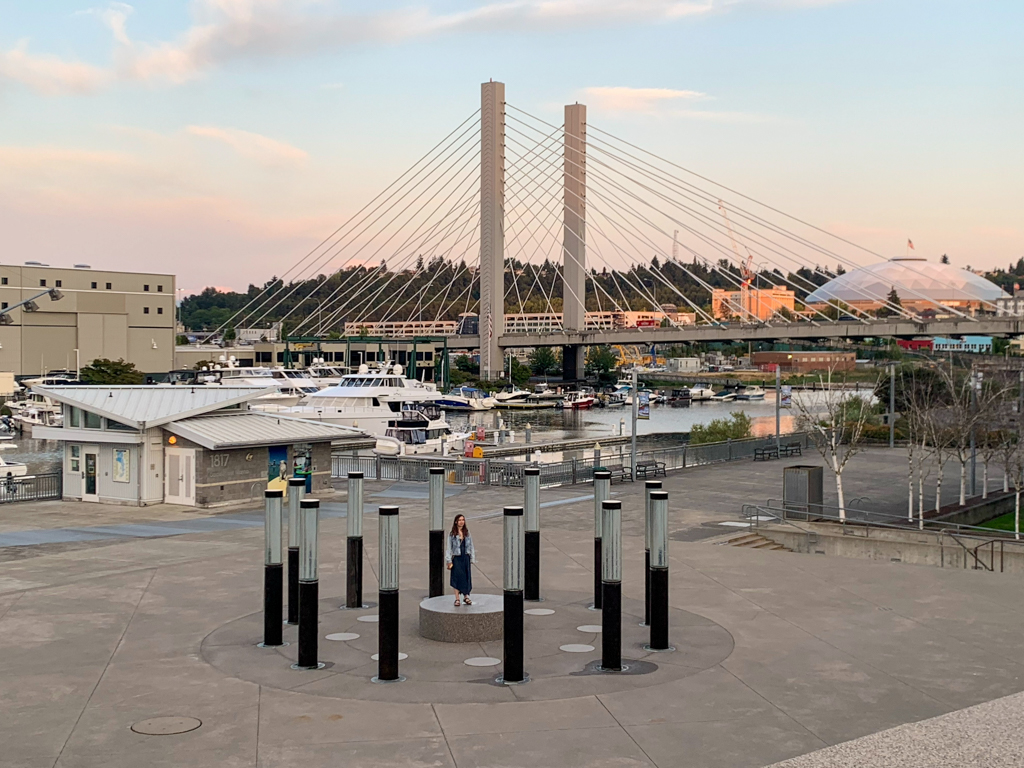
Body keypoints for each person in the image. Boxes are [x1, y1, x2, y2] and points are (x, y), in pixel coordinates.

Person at [446, 513, 475, 606]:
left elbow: (471, 546)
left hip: (465, 557)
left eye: (463, 520)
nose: (462, 522)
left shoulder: (467, 533)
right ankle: (457, 598)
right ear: (456, 522)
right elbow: (449, 548)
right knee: (456, 577)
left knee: (466, 577)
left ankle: (466, 596)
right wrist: (448, 560)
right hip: (457, 558)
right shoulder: (452, 534)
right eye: (460, 520)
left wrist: (472, 557)